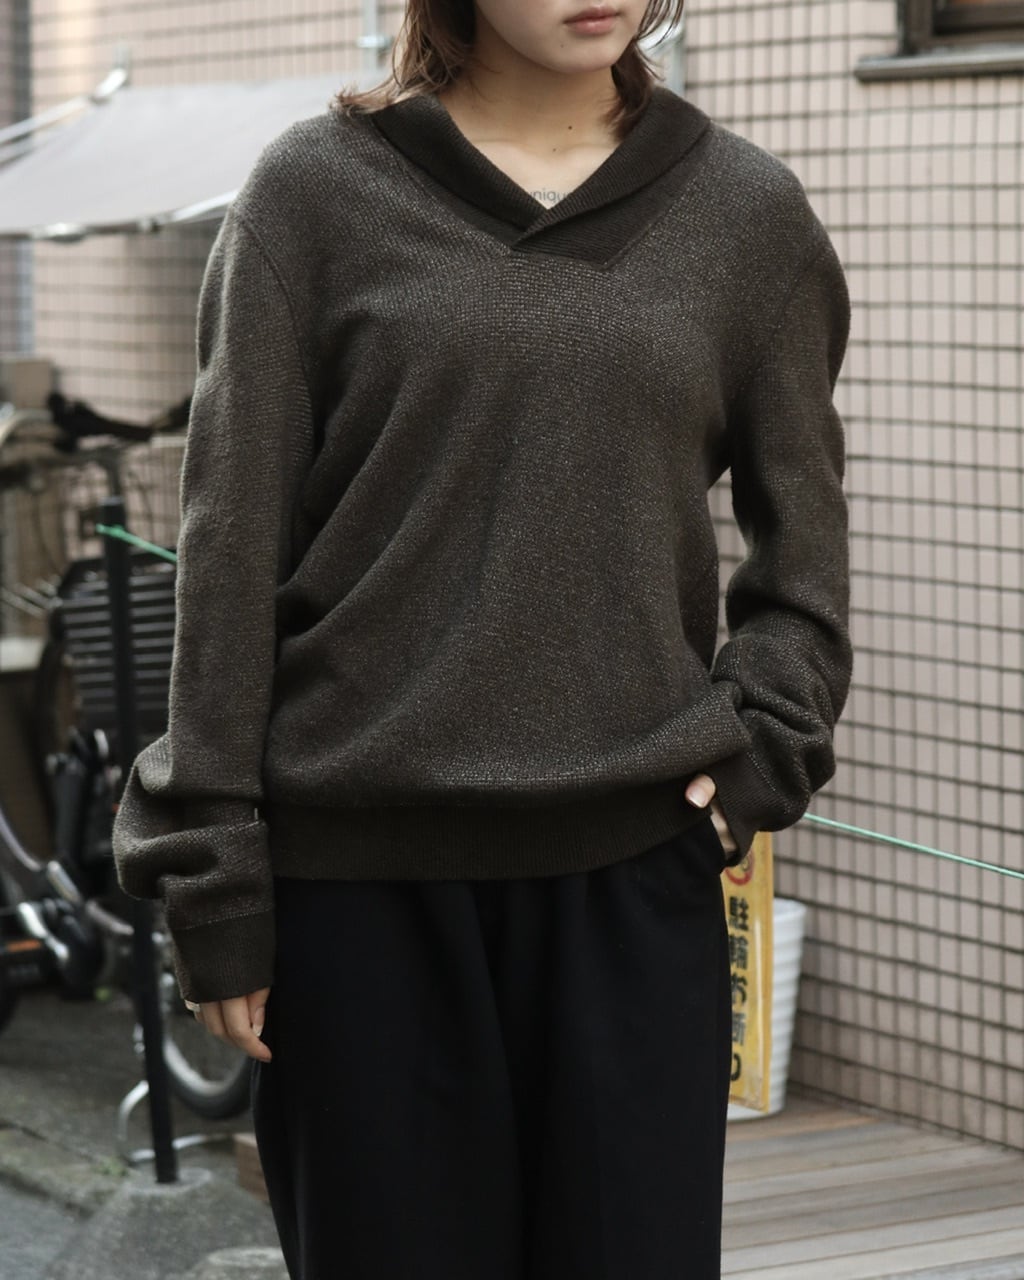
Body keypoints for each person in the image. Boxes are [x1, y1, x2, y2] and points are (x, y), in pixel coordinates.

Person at [111, 1, 852, 1276]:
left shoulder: (746, 214)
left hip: (633, 886)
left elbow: (807, 547)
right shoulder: (311, 195)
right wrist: (214, 876)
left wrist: (762, 745)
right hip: (357, 901)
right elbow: (227, 560)